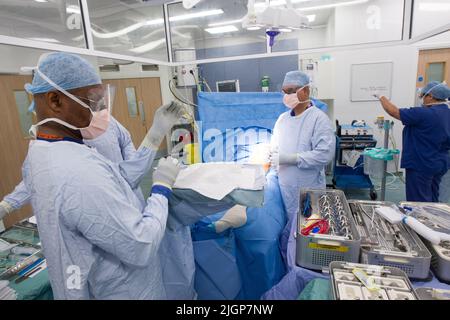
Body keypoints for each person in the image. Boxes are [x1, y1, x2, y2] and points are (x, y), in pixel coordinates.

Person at [19, 52, 184, 299]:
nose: (98, 110)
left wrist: (155, 133)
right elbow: (141, 244)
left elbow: (118, 179)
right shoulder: (75, 170)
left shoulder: (48, 152)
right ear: (55, 100)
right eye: (92, 100)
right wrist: (160, 189)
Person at [0, 116, 147, 220]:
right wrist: (8, 204)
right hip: (90, 204)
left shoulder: (105, 120)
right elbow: (37, 175)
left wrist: (131, 168)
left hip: (126, 194)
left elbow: (126, 140)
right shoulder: (56, 134)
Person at [270, 70, 335, 259]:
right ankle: (291, 269)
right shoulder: (282, 120)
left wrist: (289, 158)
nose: (287, 95)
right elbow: (275, 149)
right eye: (284, 91)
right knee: (290, 232)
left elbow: (324, 155)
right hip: (285, 190)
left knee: (308, 236)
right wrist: (272, 157)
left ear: (305, 91)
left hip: (309, 190)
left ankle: (307, 271)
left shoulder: (318, 119)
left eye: (292, 90)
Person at [376, 81, 450, 202]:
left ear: (431, 96)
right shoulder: (447, 113)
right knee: (433, 195)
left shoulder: (424, 113)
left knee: (418, 201)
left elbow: (394, 111)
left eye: (423, 96)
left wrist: (381, 97)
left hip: (421, 164)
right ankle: (431, 218)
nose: (422, 99)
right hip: (440, 163)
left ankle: (420, 220)